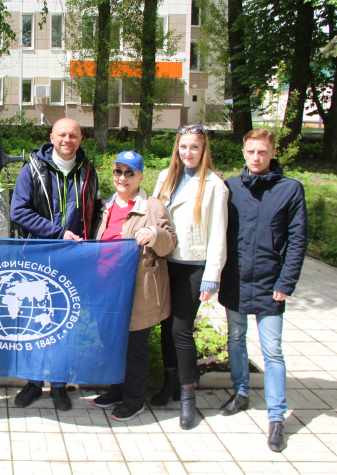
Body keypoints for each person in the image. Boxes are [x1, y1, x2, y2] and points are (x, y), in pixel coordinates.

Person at [218, 129, 307, 452]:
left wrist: (286, 282)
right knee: (237, 339)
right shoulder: (231, 187)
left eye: (262, 152)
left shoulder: (290, 189)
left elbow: (298, 241)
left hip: (271, 284)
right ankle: (241, 392)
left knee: (273, 352)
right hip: (236, 281)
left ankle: (277, 416)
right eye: (251, 151)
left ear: (271, 154)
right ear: (243, 152)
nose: (256, 157)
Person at [9, 117, 102, 410]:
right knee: (34, 321)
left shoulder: (88, 171)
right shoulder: (32, 169)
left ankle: (59, 384)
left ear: (81, 139)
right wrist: (58, 233)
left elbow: (95, 209)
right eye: (62, 134)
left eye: (73, 135)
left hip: (73, 261)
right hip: (37, 258)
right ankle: (34, 382)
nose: (67, 140)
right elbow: (18, 211)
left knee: (64, 322)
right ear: (51, 136)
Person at [152, 124, 228, 429]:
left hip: (193, 266)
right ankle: (170, 382)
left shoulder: (215, 186)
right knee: (166, 325)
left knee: (181, 330)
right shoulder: (165, 178)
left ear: (203, 149)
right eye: (183, 147)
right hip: (164, 261)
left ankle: (188, 396)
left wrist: (212, 276)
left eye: (194, 147)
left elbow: (219, 235)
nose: (188, 153)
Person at [92, 151, 176, 421]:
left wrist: (154, 234)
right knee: (111, 344)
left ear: (140, 176)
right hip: (106, 289)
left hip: (137, 291)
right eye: (118, 171)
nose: (123, 177)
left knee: (134, 347)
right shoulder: (105, 206)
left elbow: (169, 243)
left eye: (130, 173)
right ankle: (117, 390)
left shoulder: (153, 207)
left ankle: (134, 399)